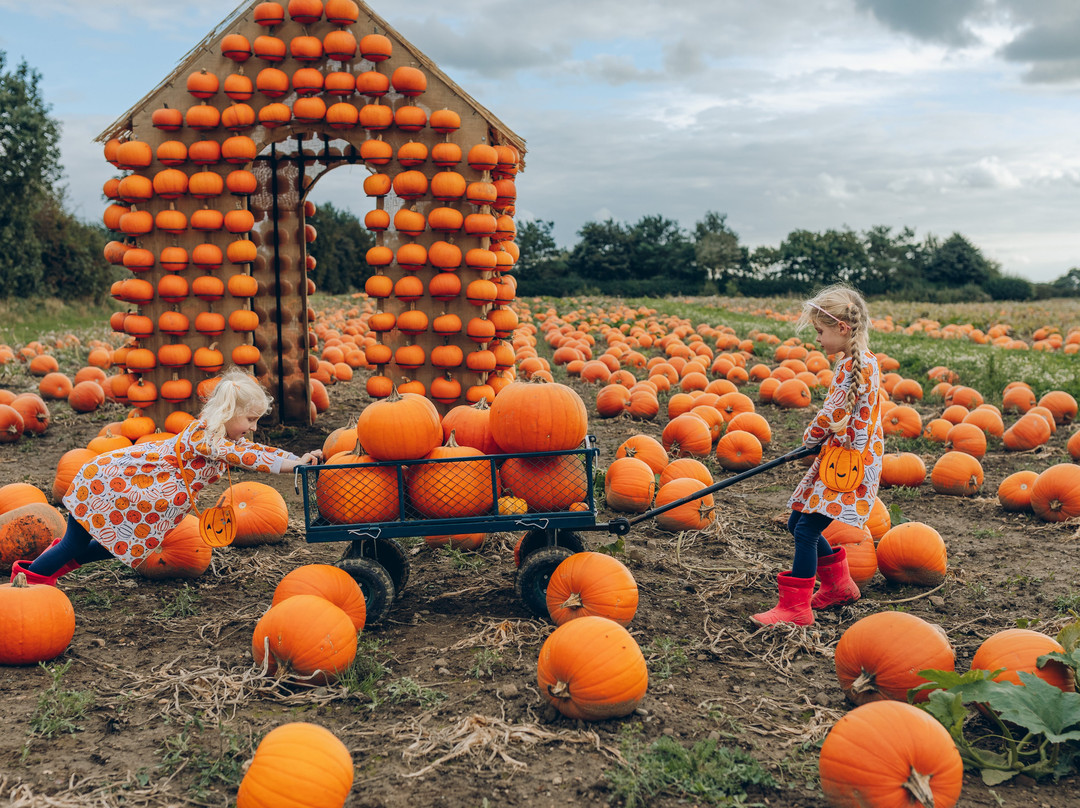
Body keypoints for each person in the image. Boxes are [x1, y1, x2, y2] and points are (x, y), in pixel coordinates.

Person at [12, 368, 324, 585]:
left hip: (125, 490)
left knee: (112, 545)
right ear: (228, 412)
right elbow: (248, 457)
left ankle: (51, 567)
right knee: (73, 545)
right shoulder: (208, 439)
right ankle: (26, 581)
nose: (254, 427)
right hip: (105, 483)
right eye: (250, 419)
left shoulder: (221, 435)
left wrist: (295, 460)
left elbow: (257, 450)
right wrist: (292, 466)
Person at [751, 284, 883, 626]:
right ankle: (839, 586)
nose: (818, 340)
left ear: (842, 328)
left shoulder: (852, 367)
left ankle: (796, 608)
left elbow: (831, 413)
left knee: (806, 530)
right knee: (799, 521)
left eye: (820, 332)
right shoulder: (865, 361)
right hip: (845, 460)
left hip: (847, 466)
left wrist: (810, 439)